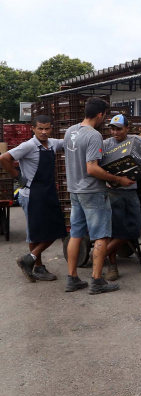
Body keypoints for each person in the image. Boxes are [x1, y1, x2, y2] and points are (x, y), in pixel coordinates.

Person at [64, 97, 135, 294]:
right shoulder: (94, 135)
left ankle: (72, 278)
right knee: (101, 236)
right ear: (100, 115)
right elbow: (92, 168)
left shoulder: (71, 131)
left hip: (75, 190)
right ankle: (97, 280)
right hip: (92, 191)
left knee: (76, 234)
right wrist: (117, 179)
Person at [1, 114, 66, 282]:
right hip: (31, 194)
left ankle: (30, 260)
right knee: (36, 232)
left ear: (51, 128)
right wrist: (18, 177)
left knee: (58, 228)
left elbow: (69, 142)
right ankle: (37, 266)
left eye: (47, 128)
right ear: (33, 129)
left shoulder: (53, 144)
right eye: (40, 129)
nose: (44, 132)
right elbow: (4, 158)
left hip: (48, 192)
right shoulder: (28, 146)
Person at [101, 114, 141, 281]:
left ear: (127, 128)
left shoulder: (136, 141)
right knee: (114, 231)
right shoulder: (105, 144)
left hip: (131, 191)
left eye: (118, 129)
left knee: (133, 228)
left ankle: (99, 254)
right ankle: (112, 266)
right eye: (112, 129)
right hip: (112, 192)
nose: (115, 132)